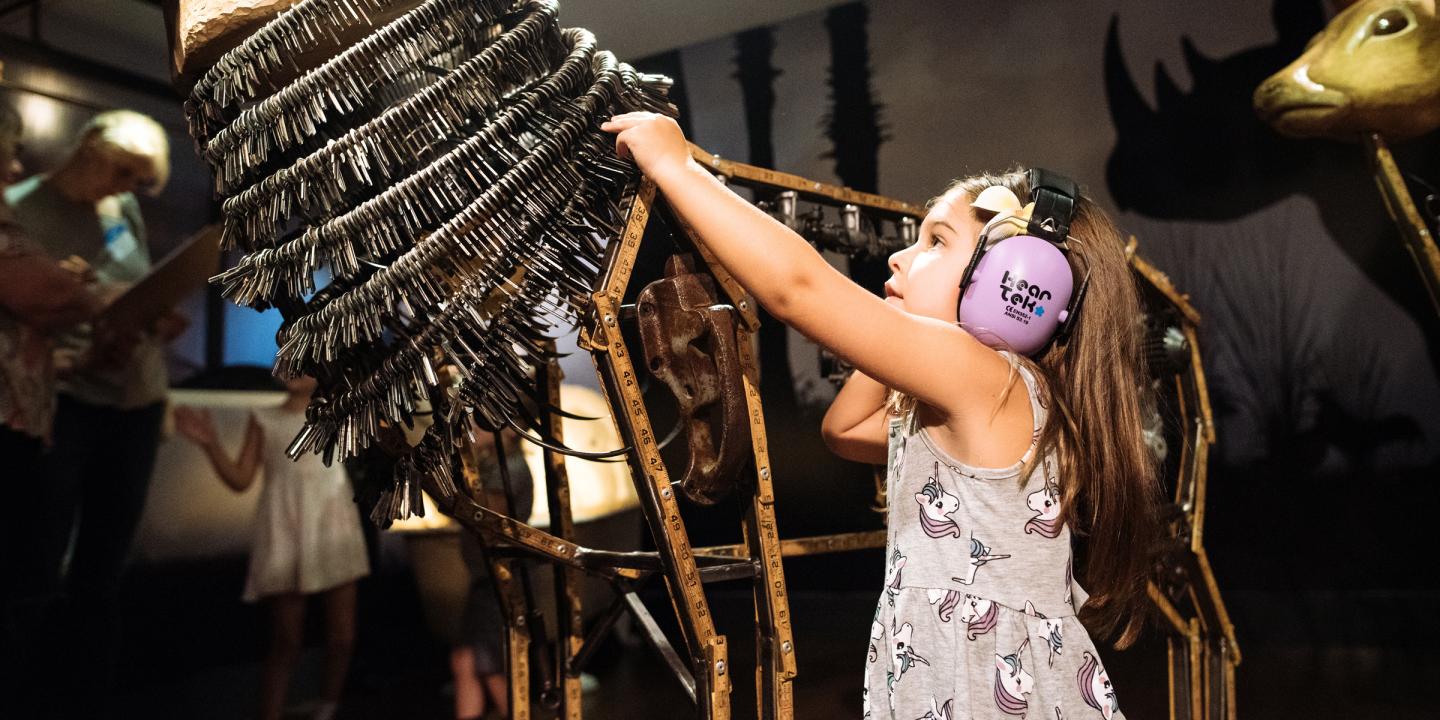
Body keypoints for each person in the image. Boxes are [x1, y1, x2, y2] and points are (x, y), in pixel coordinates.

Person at [601, 112, 1161, 719]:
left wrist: (675, 167)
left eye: (935, 242)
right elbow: (844, 430)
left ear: (1008, 284)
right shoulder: (994, 395)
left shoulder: (981, 375)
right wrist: (893, 326)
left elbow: (799, 289)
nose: (899, 258)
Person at [4, 108, 185, 710]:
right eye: (124, 173)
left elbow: (123, 288)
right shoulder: (22, 207)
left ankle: (89, 698)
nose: (128, 189)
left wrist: (150, 315)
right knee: (37, 562)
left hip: (134, 399)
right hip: (66, 400)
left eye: (139, 180)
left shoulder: (119, 209)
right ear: (89, 152)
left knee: (103, 573)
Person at [173, 375, 370, 720]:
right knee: (286, 642)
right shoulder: (264, 417)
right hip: (286, 528)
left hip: (332, 525)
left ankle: (326, 707)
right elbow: (241, 478)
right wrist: (210, 443)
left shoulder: (339, 412)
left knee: (343, 636)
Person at [0, 101, 107, 720]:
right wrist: (93, 295)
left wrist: (68, 361)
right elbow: (42, 295)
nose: (14, 166)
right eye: (9, 150)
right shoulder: (17, 216)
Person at [450, 424, 533, 720]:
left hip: (500, 577)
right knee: (465, 660)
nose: (472, 427)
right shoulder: (490, 465)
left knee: (491, 667)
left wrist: (452, 495)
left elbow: (488, 516)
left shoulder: (508, 467)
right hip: (485, 578)